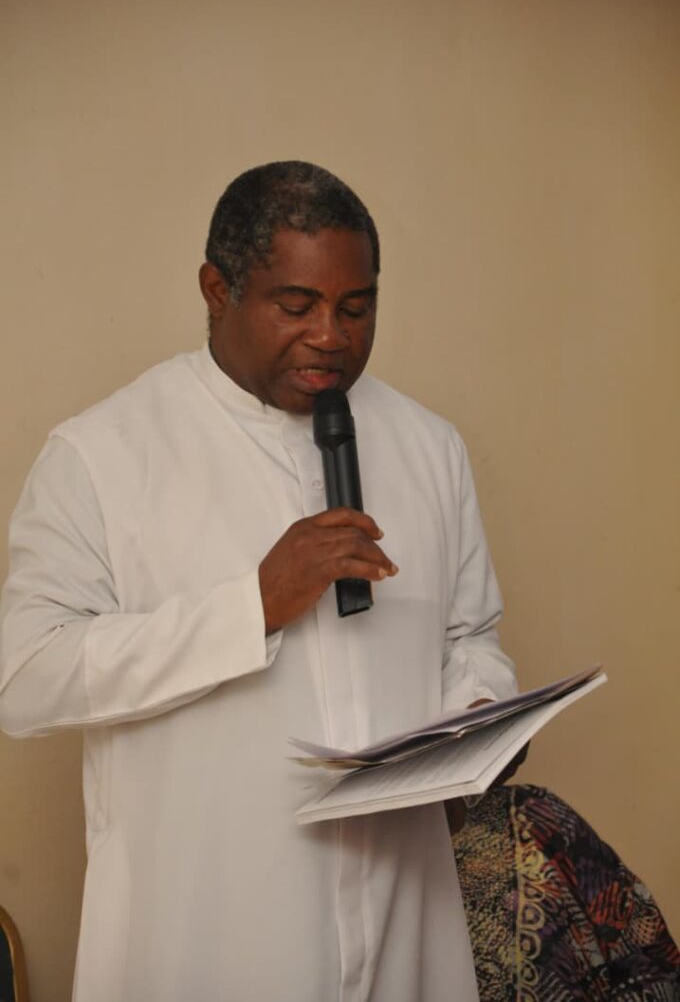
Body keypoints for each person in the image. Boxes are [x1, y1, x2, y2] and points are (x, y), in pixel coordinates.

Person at [0, 162, 518, 1001]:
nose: (331, 337)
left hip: (405, 919)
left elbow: (470, 639)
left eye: (357, 308)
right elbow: (25, 677)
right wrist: (252, 608)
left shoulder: (430, 446)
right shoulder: (102, 455)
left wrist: (481, 722)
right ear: (218, 290)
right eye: (297, 305)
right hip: (207, 935)